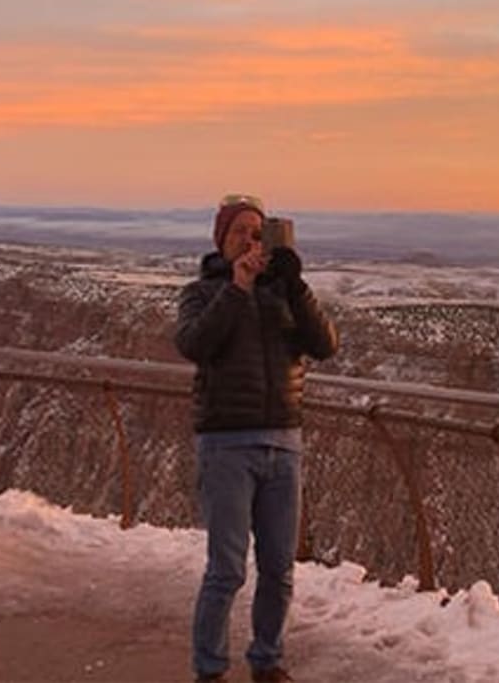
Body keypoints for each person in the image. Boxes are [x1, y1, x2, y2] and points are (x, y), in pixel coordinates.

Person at [174, 194, 338, 683]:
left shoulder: (286, 293)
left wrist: (296, 282)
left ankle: (267, 661)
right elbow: (195, 344)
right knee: (226, 569)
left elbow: (324, 345)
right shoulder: (202, 293)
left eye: (258, 231)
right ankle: (210, 670)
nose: (250, 239)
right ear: (222, 241)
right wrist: (238, 287)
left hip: (284, 440)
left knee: (279, 569)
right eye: (240, 231)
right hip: (227, 444)